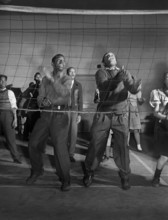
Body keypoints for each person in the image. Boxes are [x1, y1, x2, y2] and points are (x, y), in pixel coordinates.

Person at [82, 52, 141, 190]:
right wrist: (119, 78)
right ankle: (89, 172)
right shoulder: (101, 72)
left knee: (122, 147)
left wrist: (135, 85)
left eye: (112, 55)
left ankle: (125, 175)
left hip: (120, 115)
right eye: (107, 56)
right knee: (96, 144)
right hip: (104, 113)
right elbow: (104, 86)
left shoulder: (124, 72)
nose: (110, 56)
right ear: (104, 61)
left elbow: (132, 89)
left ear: (116, 59)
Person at [26, 54, 72, 191]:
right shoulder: (45, 80)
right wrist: (42, 102)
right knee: (33, 143)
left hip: (60, 115)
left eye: (63, 60)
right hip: (45, 114)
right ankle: (37, 170)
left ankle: (65, 178)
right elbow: (40, 96)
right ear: (52, 63)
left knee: (60, 148)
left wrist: (53, 81)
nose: (62, 62)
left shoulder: (68, 79)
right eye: (58, 60)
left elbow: (64, 95)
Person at [149, 72, 168, 187]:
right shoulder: (157, 92)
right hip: (164, 128)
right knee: (165, 156)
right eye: (167, 77)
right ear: (164, 80)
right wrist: (166, 117)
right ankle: (156, 178)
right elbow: (156, 113)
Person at [0, 74, 21, 164]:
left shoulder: (10, 92)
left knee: (10, 138)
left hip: (7, 116)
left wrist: (15, 119)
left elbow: (14, 107)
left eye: (4, 80)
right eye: (1, 80)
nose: (2, 82)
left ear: (6, 82)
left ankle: (16, 157)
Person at [19, 72, 42, 141]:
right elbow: (24, 96)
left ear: (41, 78)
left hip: (41, 107)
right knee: (29, 122)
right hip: (32, 107)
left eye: (39, 77)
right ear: (34, 78)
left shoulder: (44, 87)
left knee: (38, 123)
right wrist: (21, 109)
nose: (38, 78)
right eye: (36, 77)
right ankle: (25, 136)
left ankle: (35, 137)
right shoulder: (32, 87)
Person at [67, 67, 83, 162]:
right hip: (64, 111)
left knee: (73, 133)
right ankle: (63, 153)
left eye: (74, 71)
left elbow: (80, 100)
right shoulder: (63, 84)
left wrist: (80, 114)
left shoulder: (78, 85)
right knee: (63, 133)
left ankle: (70, 154)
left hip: (74, 112)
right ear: (67, 74)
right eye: (70, 72)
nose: (72, 73)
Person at [127, 86, 145, 151]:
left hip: (134, 111)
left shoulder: (138, 91)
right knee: (126, 128)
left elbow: (140, 102)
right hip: (126, 110)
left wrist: (142, 100)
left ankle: (138, 145)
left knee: (136, 129)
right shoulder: (125, 90)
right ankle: (126, 144)